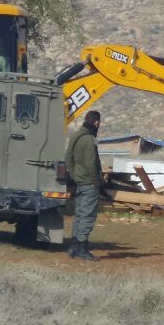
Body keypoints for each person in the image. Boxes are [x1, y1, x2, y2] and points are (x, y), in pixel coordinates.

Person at [65, 110, 105, 261]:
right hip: (89, 183)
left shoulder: (76, 135)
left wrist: (75, 176)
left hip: (80, 182)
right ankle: (81, 248)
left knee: (79, 215)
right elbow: (91, 163)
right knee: (88, 216)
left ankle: (74, 246)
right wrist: (97, 183)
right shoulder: (89, 139)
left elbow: (68, 157)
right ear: (96, 122)